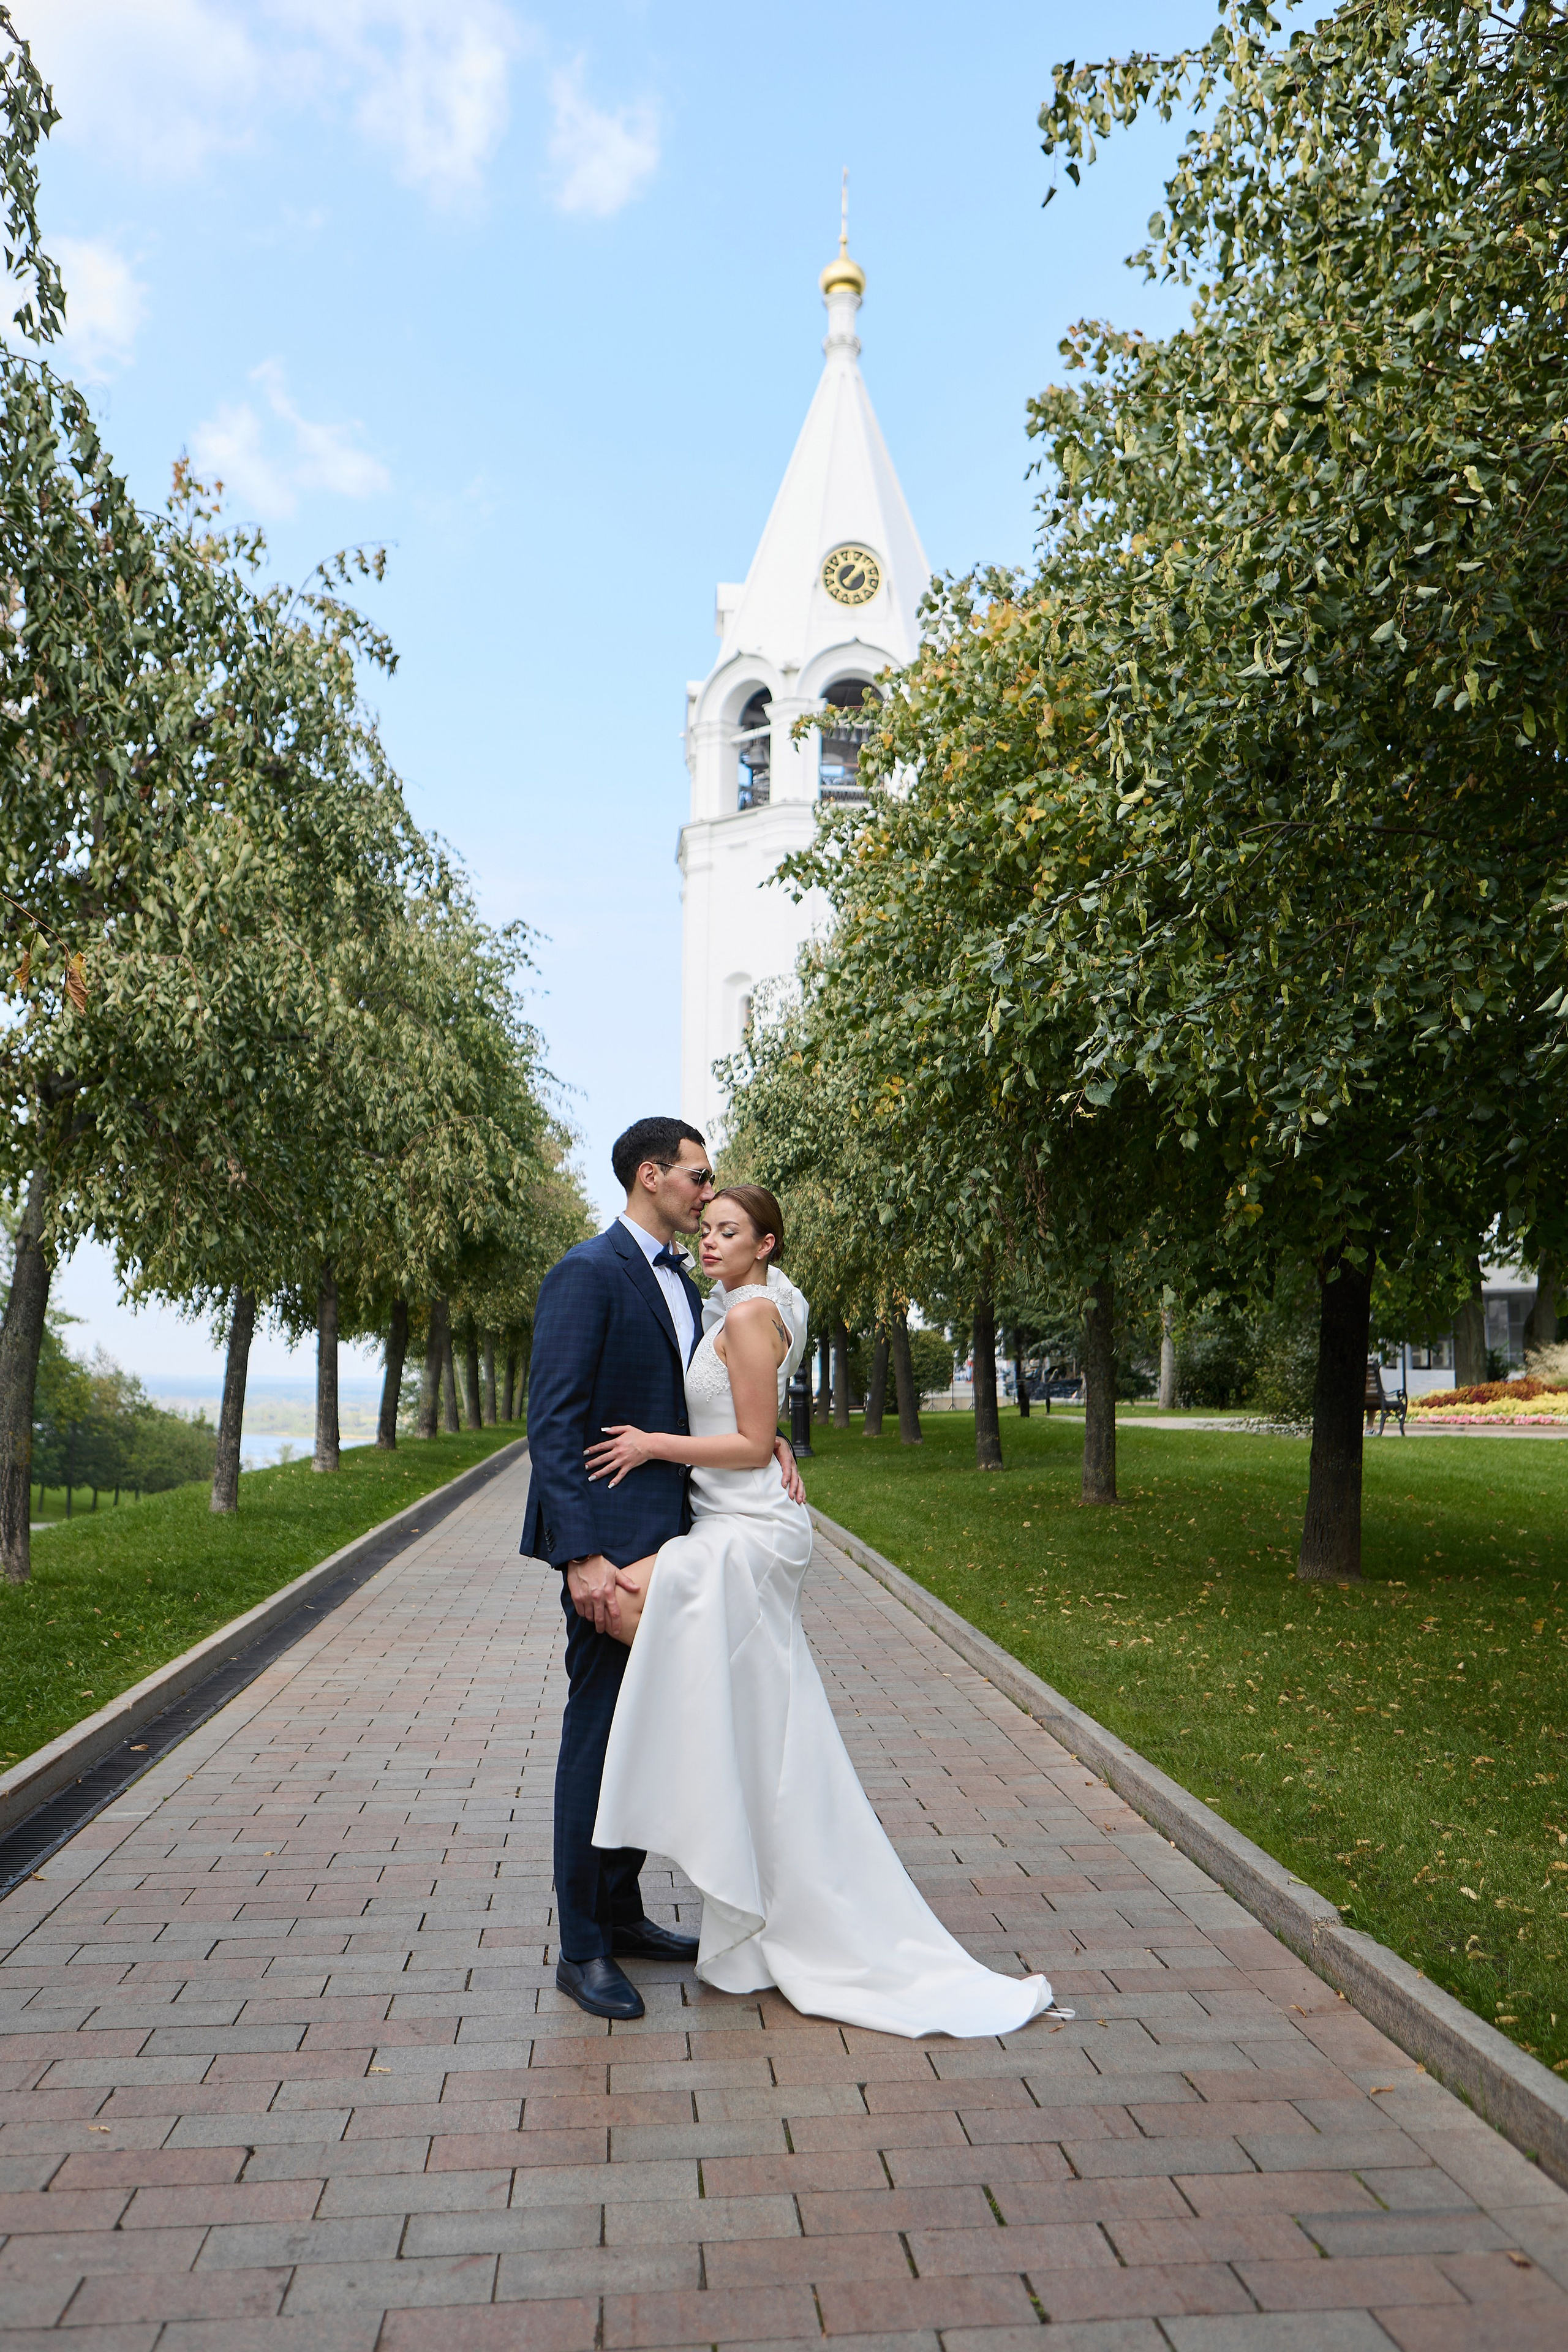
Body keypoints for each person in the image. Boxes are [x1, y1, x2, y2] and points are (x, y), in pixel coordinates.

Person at [586, 1184, 1055, 2040]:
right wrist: (774, 1446)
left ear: (765, 1244)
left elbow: (753, 1439)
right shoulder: (755, 1304)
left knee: (632, 1609)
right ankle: (746, 1888)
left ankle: (686, 1859)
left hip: (749, 1531)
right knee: (765, 1723)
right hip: (738, 1517)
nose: (710, 1244)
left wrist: (656, 1445)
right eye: (708, 1231)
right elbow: (762, 1425)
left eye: (730, 1232)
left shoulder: (750, 1315)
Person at [521, 1117, 805, 2022]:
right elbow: (554, 1429)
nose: (705, 1189)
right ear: (652, 1176)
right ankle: (584, 1947)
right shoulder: (587, 1273)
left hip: (687, 1549)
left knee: (649, 1737)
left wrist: (773, 1443)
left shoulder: (693, 1286)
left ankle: (627, 1912)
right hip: (615, 1559)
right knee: (598, 1738)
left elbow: (715, 1395)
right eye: (697, 1175)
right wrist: (581, 1558)